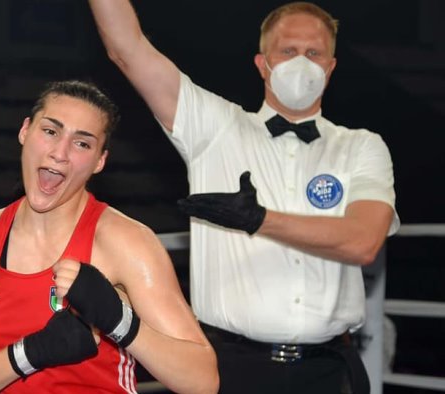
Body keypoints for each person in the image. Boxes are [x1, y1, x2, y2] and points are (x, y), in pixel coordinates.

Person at [87, 1, 400, 393]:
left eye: (314, 53)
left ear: (331, 66)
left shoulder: (362, 147)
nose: (301, 63)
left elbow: (363, 241)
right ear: (262, 63)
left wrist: (259, 220)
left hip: (329, 371)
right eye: (288, 51)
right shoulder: (215, 128)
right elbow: (127, 48)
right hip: (232, 367)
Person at [0, 80, 218, 394]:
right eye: (50, 131)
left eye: (82, 143)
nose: (59, 153)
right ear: (25, 131)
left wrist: (120, 323)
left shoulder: (126, 242)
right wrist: (30, 353)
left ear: (100, 161)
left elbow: (202, 381)